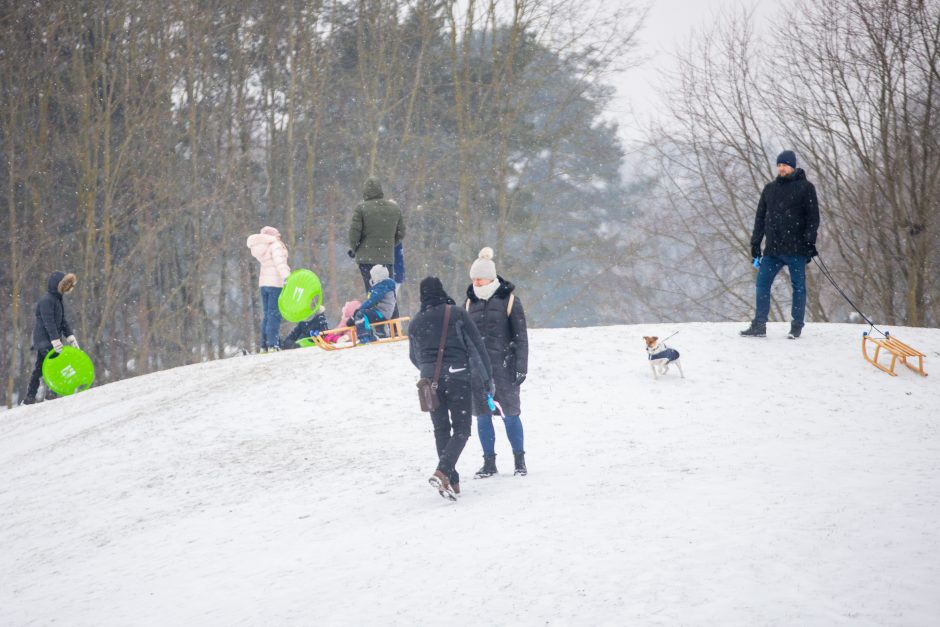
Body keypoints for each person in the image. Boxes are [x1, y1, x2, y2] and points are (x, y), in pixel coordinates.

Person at [409, 276, 494, 499]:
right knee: (462, 429)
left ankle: (451, 481)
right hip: (458, 378)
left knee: (441, 430)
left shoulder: (416, 322)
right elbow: (477, 346)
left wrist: (430, 370)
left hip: (429, 383)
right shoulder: (456, 313)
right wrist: (487, 379)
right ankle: (443, 471)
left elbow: (414, 356)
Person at [465, 247, 530, 477]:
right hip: (478, 371)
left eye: (479, 278)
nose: (476, 282)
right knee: (482, 416)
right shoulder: (468, 303)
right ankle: (489, 462)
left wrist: (521, 367)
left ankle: (519, 460)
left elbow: (521, 337)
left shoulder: (510, 301)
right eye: (473, 278)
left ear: (491, 277)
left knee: (511, 415)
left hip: (505, 368)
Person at [741, 150, 820, 339]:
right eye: (779, 165)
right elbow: (760, 218)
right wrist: (755, 243)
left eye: (784, 165)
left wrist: (809, 241)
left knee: (798, 287)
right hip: (773, 249)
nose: (781, 168)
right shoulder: (770, 189)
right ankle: (759, 325)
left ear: (792, 166)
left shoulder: (806, 188)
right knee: (762, 284)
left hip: (796, 249)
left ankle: (796, 326)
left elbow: (813, 217)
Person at [23, 271, 79, 405]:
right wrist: (55, 340)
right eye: (65, 285)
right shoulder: (47, 301)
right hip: (44, 340)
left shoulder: (57, 300)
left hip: (49, 340)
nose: (67, 288)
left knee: (40, 367)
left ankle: (30, 396)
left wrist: (70, 337)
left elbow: (62, 322)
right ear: (58, 285)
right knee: (56, 364)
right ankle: (51, 393)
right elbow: (49, 322)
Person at [347, 177, 405, 295]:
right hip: (386, 258)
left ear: (365, 192)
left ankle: (374, 312)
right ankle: (391, 313)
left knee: (371, 291)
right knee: (388, 293)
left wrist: (355, 248)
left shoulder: (361, 209)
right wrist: (388, 244)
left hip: (366, 259)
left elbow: (354, 234)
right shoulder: (394, 208)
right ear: (380, 190)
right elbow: (401, 233)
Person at [247, 226, 291, 352]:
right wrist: (287, 277)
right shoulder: (275, 245)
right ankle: (273, 344)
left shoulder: (262, 247)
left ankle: (264, 345)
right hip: (275, 283)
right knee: (274, 314)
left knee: (267, 314)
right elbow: (280, 263)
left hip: (264, 283)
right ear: (274, 235)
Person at [353, 265, 397, 343]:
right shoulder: (384, 285)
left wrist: (359, 310)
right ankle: (376, 335)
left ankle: (365, 337)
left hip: (382, 313)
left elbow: (372, 301)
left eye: (372, 276)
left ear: (376, 276)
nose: (371, 278)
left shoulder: (382, 286)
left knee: (361, 315)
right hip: (383, 312)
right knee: (365, 314)